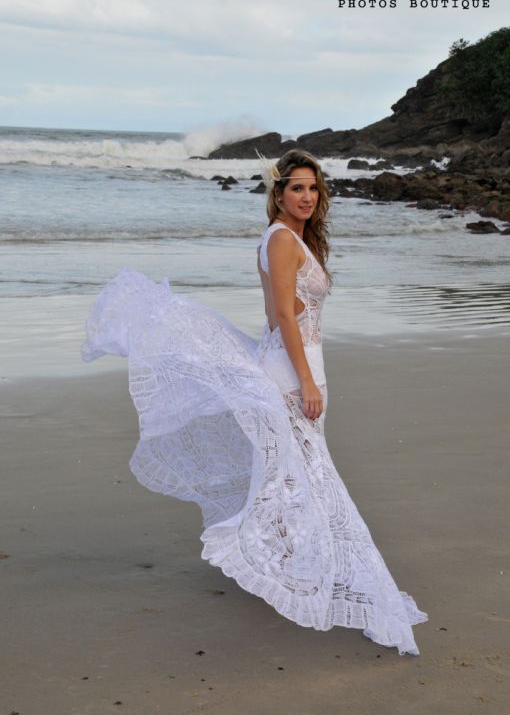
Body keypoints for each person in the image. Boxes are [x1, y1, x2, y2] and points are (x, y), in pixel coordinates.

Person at [81, 148, 428, 656]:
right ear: (278, 193)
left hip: (297, 366)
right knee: (306, 474)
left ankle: (289, 564)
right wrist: (306, 382)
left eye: (313, 188)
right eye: (297, 188)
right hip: (292, 372)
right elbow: (283, 317)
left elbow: (286, 317)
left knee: (293, 472)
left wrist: (308, 376)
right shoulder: (282, 239)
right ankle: (297, 569)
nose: (307, 197)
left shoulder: (291, 238)